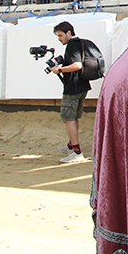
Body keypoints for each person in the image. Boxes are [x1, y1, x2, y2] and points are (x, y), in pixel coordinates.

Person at [48, 22, 91, 164]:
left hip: (73, 87)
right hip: (82, 86)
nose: (59, 39)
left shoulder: (72, 45)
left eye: (60, 35)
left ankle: (76, 152)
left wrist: (59, 70)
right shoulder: (79, 43)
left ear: (68, 33)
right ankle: (72, 146)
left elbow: (77, 65)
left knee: (68, 118)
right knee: (73, 117)